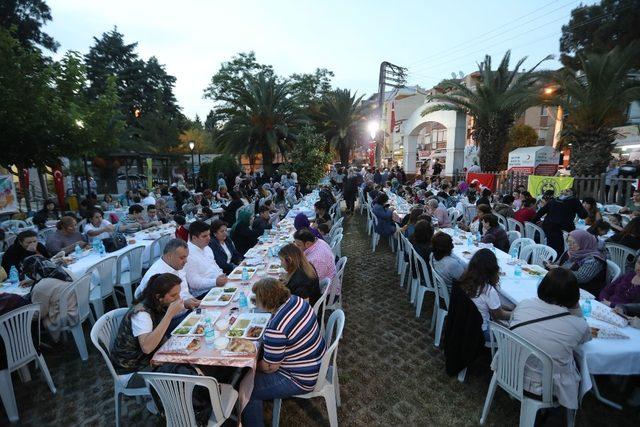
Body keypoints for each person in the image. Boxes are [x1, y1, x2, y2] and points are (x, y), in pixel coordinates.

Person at [243, 278, 325, 426]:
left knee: (247, 389)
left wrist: (251, 368)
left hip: (301, 378)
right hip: (317, 360)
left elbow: (270, 367)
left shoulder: (276, 328)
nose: (256, 302)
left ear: (267, 302)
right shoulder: (296, 300)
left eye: (258, 300)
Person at [509, 268, 590, 411]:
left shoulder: (524, 304)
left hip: (510, 369)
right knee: (574, 360)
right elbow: (586, 339)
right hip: (543, 386)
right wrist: (576, 307)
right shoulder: (578, 325)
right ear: (574, 295)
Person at [111, 273, 185, 382]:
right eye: (173, 295)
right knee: (185, 372)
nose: (178, 298)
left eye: (178, 294)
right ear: (158, 297)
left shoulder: (158, 305)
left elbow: (160, 336)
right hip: (132, 371)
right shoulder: (141, 314)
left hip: (146, 360)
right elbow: (147, 347)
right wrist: (169, 315)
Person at [458, 249, 511, 341]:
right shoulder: (488, 290)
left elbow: (485, 304)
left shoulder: (465, 280)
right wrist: (516, 314)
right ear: (492, 269)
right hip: (483, 332)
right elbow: (499, 315)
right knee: (517, 333)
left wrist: (506, 307)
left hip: (466, 324)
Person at [134, 239, 199, 311]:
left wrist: (193, 301)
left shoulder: (177, 265)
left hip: (186, 309)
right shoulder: (156, 277)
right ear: (169, 256)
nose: (186, 261)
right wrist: (184, 304)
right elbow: (158, 310)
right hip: (171, 318)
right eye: (182, 258)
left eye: (186, 257)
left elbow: (184, 292)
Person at [22, 255, 77, 332]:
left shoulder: (41, 287)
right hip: (77, 307)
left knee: (26, 323)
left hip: (65, 317)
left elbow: (39, 314)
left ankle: (38, 343)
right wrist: (35, 280)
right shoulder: (63, 270)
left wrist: (23, 314)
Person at [546, 229, 607, 296]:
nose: (570, 245)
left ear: (584, 242)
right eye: (568, 242)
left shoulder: (594, 259)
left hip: (582, 292)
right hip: (564, 284)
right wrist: (551, 264)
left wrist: (560, 269)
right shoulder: (571, 252)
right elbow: (558, 263)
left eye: (574, 243)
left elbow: (581, 277)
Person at [532, 188, 588, 257]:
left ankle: (550, 259)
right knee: (562, 247)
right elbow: (583, 215)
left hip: (548, 226)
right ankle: (559, 260)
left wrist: (532, 223)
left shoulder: (554, 200)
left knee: (551, 245)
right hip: (562, 229)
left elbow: (540, 213)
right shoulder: (574, 200)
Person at [184, 221, 229, 298]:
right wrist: (215, 282)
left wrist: (221, 275)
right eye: (204, 236)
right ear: (194, 238)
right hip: (204, 294)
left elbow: (215, 265)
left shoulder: (207, 248)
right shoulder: (188, 254)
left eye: (209, 235)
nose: (209, 238)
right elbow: (193, 283)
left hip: (218, 286)